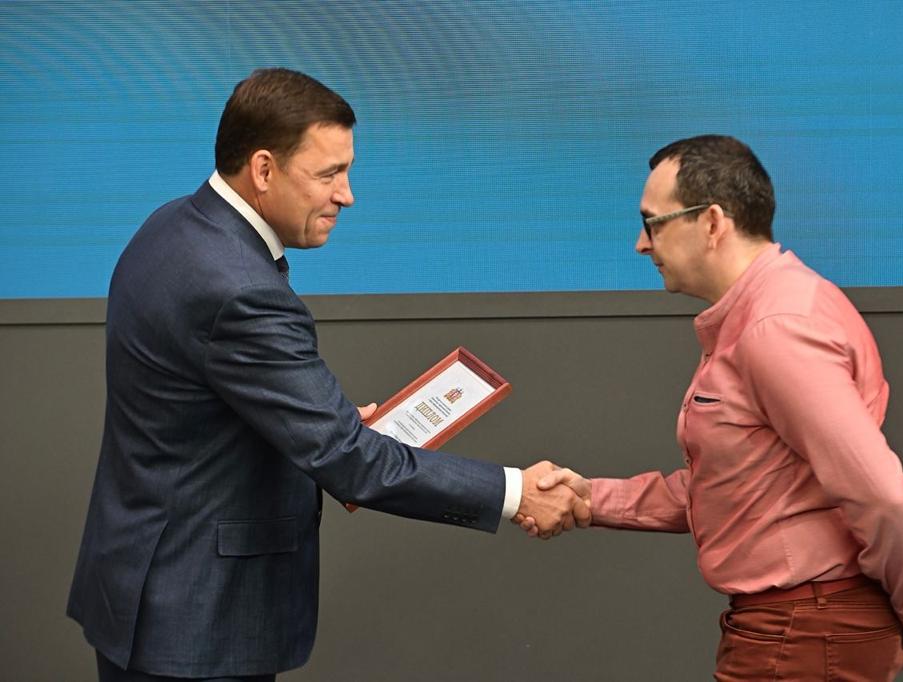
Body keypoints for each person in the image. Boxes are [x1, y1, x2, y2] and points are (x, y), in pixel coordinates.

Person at [67, 68, 586, 682]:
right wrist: (515, 492)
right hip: (195, 624)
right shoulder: (240, 288)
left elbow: (203, 404)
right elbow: (349, 460)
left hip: (142, 594)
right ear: (264, 169)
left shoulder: (172, 226)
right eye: (329, 174)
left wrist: (320, 421)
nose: (347, 195)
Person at [516, 135, 903, 680]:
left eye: (652, 223)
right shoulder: (771, 311)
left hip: (804, 633)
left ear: (712, 223)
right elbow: (734, 485)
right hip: (801, 629)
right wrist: (590, 497)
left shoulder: (777, 329)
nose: (641, 245)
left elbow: (881, 495)